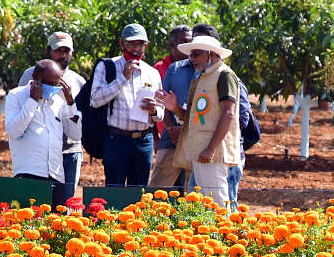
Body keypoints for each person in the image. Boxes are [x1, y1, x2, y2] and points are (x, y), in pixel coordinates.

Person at [157, 34, 242, 208]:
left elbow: (229, 113)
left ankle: (225, 235)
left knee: (218, 202)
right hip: (200, 152)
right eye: (191, 55)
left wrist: (211, 149)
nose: (192, 59)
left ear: (211, 54)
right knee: (203, 204)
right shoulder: (203, 78)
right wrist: (174, 108)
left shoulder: (224, 75)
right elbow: (193, 118)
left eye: (196, 54)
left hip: (213, 154)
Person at [89, 23, 163, 187]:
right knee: (114, 191)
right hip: (116, 139)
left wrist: (154, 110)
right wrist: (122, 78)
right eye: (131, 43)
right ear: (122, 43)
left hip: (144, 140)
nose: (136, 49)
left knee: (139, 192)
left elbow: (160, 114)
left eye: (140, 44)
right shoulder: (108, 66)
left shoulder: (152, 73)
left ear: (146, 45)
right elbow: (95, 100)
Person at [18, 32, 85, 205]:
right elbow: (20, 109)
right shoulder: (30, 75)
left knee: (65, 206)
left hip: (69, 151)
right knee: (36, 204)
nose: (62, 55)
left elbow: (79, 118)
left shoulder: (78, 81)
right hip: (38, 151)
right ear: (48, 50)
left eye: (66, 50)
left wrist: (70, 100)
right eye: (58, 50)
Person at [5, 59, 77, 207]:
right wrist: (32, 100)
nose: (52, 88)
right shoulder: (16, 96)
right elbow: (13, 131)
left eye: (56, 84)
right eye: (48, 83)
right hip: (29, 174)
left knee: (55, 226)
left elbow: (75, 134)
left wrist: (70, 103)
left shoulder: (58, 102)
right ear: (35, 77)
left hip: (56, 175)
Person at [149, 25, 193, 189]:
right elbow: (158, 103)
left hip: (193, 138)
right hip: (168, 138)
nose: (188, 46)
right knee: (158, 189)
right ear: (172, 44)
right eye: (184, 42)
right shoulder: (163, 69)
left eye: (191, 41)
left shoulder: (201, 68)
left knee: (190, 191)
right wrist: (169, 131)